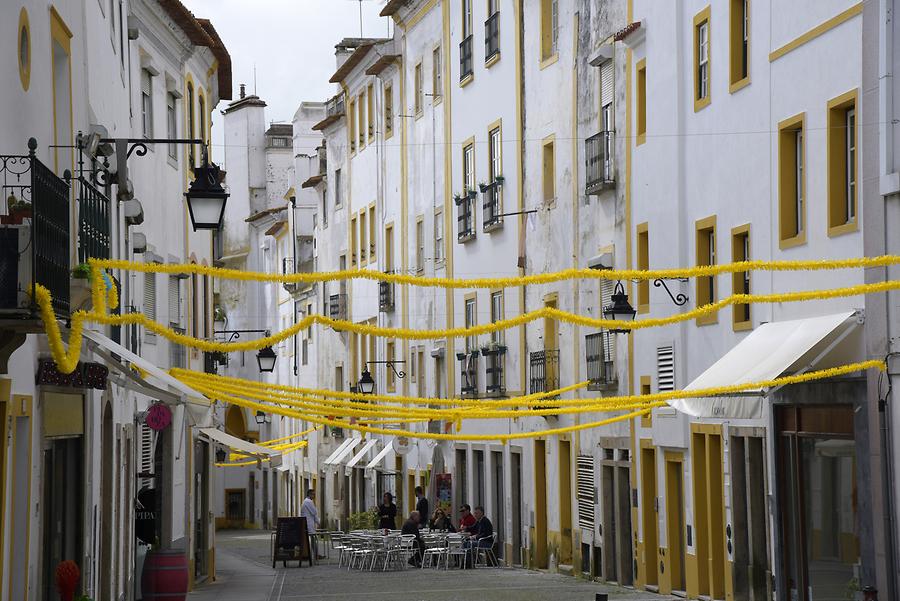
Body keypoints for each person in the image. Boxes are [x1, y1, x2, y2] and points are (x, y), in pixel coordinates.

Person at [301, 489, 325, 560]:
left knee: (312, 539)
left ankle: (314, 554)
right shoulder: (308, 502)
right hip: (308, 524)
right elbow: (314, 512)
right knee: (313, 539)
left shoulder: (306, 501)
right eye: (313, 494)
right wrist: (318, 523)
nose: (314, 496)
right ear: (309, 494)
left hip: (307, 523)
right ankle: (315, 555)